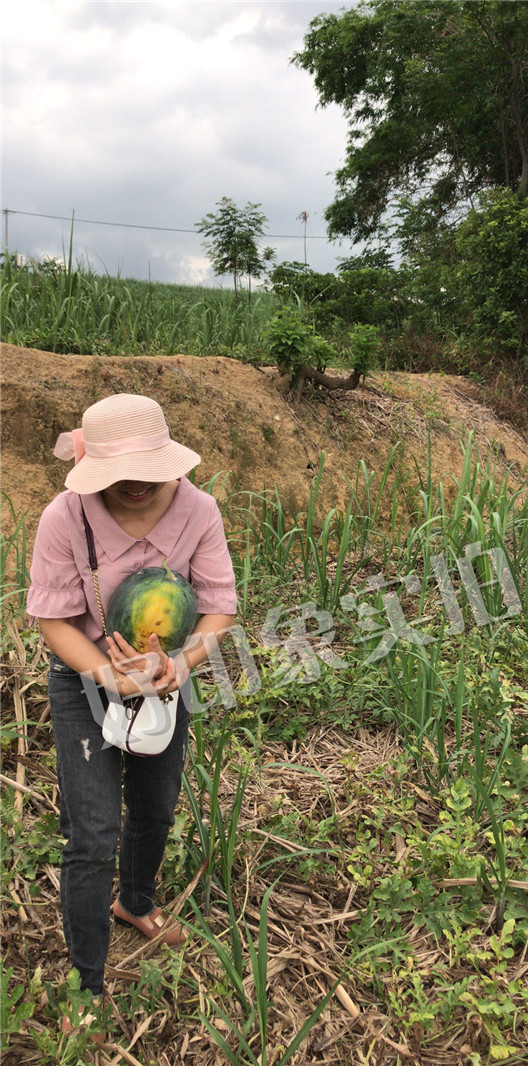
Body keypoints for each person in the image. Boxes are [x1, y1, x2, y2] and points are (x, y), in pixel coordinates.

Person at [27, 393, 237, 1030]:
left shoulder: (199, 510)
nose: (138, 484)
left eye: (150, 468)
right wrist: (105, 675)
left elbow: (219, 604)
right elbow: (53, 620)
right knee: (90, 834)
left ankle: (136, 903)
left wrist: (183, 663)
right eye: (121, 473)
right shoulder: (66, 516)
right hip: (83, 680)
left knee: (155, 804)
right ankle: (85, 985)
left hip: (168, 678)